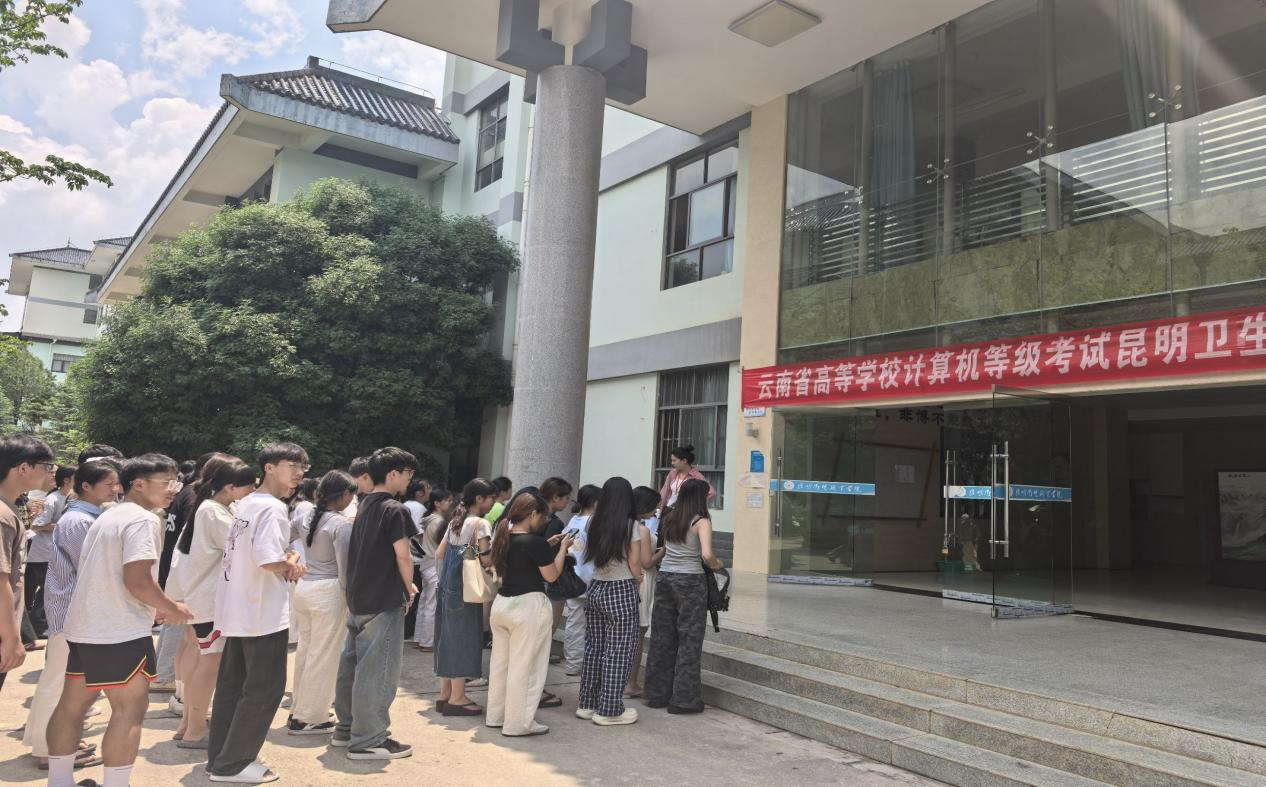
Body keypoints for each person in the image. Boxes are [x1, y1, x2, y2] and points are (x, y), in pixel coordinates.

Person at [46, 453, 194, 787]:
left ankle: (59, 780)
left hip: (86, 625)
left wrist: (155, 605)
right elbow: (137, 580)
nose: (173, 489)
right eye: (166, 482)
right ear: (138, 484)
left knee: (71, 707)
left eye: (176, 482)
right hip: (119, 630)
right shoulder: (142, 520)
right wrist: (172, 607)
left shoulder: (108, 514)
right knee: (129, 711)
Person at [206, 442, 308, 784]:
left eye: (302, 467)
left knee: (233, 687)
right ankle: (233, 764)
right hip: (261, 612)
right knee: (264, 689)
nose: (298, 472)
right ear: (269, 467)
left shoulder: (246, 503)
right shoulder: (273, 508)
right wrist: (292, 562)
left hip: (238, 608)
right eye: (291, 465)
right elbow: (268, 560)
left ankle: (220, 758)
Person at [24, 459, 121, 768]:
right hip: (71, 613)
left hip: (74, 611)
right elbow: (92, 568)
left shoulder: (85, 516)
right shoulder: (79, 521)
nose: (115, 489)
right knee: (58, 682)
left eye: (116, 483)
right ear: (86, 486)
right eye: (109, 484)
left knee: (61, 681)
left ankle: (47, 742)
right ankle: (46, 748)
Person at [331, 446, 417, 759]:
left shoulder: (364, 503)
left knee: (352, 665)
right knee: (378, 670)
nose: (409, 480)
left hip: (358, 595)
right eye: (407, 474)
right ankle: (368, 739)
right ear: (393, 474)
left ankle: (346, 728)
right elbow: (403, 556)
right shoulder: (396, 509)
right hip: (382, 597)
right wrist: (409, 588)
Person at [166, 456, 257, 748]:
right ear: (230, 487)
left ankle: (188, 725)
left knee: (202, 660)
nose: (252, 492)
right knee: (210, 664)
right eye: (249, 487)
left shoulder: (209, 507)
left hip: (202, 598)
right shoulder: (215, 512)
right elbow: (244, 549)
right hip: (211, 602)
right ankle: (195, 730)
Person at [485, 492, 575, 737]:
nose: (543, 522)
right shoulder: (534, 543)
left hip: (502, 605)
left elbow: (520, 558)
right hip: (528, 607)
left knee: (501, 665)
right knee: (526, 668)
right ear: (533, 514)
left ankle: (496, 716)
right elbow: (551, 576)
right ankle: (518, 723)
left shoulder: (503, 537)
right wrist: (562, 549)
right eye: (542, 517)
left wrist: (549, 546)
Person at [644, 478, 724, 715]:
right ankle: (684, 699)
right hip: (690, 582)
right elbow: (707, 555)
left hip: (665, 579)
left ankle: (657, 694)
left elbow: (665, 548)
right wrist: (718, 565)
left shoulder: (669, 517)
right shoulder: (701, 521)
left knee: (662, 637)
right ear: (700, 498)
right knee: (689, 640)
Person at [288, 471, 356, 736]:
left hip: (305, 587)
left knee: (306, 651)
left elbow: (282, 538)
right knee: (324, 655)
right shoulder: (341, 524)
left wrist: (290, 559)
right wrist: (350, 599)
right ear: (345, 495)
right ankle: (310, 716)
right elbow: (345, 569)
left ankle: (299, 709)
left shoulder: (304, 516)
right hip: (328, 591)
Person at [154, 452, 226, 698]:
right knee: (186, 635)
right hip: (189, 574)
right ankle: (168, 680)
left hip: (176, 567)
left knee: (180, 631)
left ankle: (166, 677)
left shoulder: (187, 492)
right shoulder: (201, 500)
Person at [577, 477, 642, 726]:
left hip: (596, 587)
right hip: (621, 588)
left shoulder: (593, 521)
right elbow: (634, 563)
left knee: (594, 648)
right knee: (618, 651)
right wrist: (639, 578)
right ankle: (610, 710)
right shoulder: (631, 525)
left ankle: (587, 703)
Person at [432, 478, 495, 716]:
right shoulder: (481, 523)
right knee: (463, 639)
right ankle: (458, 698)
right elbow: (486, 559)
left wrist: (465, 550)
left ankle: (445, 694)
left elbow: (440, 553)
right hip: (465, 590)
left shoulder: (455, 520)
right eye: (491, 498)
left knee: (446, 637)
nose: (493, 502)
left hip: (447, 586)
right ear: (479, 498)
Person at [0, 435, 56, 694]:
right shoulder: (3, 516)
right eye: (47, 466)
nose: (51, 473)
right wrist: (12, 638)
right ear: (23, 468)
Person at [26, 464, 75, 639]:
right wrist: (64, 525)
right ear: (66, 480)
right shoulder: (52, 499)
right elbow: (37, 525)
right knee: (45, 592)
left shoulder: (69, 498)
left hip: (54, 553)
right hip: (43, 554)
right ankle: (37, 626)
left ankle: (35, 626)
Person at [626, 485, 663, 698]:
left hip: (624, 577)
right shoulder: (642, 530)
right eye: (655, 505)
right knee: (638, 634)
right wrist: (664, 551)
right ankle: (631, 682)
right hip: (642, 579)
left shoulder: (620, 524)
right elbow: (647, 562)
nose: (657, 509)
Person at [561, 484, 599, 676]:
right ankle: (585, 663)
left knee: (574, 622)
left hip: (573, 578)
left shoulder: (573, 520)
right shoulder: (595, 522)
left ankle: (573, 663)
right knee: (593, 625)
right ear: (595, 502)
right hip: (591, 578)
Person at [412, 487, 453, 652]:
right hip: (434, 566)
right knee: (432, 605)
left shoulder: (429, 519)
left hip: (426, 565)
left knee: (425, 603)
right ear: (437, 503)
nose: (451, 504)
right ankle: (428, 642)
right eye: (448, 500)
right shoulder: (438, 522)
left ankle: (420, 639)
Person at [539, 478, 574, 641]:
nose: (568, 502)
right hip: (549, 579)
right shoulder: (553, 523)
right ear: (555, 497)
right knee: (547, 628)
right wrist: (564, 548)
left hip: (531, 579)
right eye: (566, 498)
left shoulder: (532, 517)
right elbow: (550, 555)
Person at [401, 477, 430, 641]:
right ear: (419, 492)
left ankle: (405, 630)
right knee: (414, 596)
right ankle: (408, 631)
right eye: (427, 488)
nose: (430, 491)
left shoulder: (404, 505)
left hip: (404, 555)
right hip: (414, 559)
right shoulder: (419, 508)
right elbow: (418, 536)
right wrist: (423, 554)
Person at [657, 445, 716, 512]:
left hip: (686, 513)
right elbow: (664, 492)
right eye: (672, 460)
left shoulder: (696, 476)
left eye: (674, 460)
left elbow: (711, 492)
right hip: (669, 511)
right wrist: (659, 509)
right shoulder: (672, 473)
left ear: (684, 461)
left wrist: (693, 503)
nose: (672, 463)